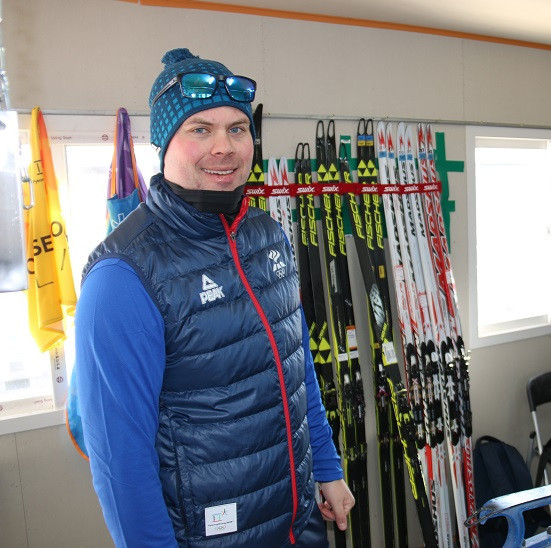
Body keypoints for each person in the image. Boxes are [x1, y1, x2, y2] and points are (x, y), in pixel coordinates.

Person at [74, 48, 354, 546]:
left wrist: (327, 467)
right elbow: (121, 466)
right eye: (200, 129)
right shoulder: (122, 276)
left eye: (237, 128)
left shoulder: (268, 235)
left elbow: (295, 364)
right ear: (165, 143)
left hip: (297, 522)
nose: (224, 147)